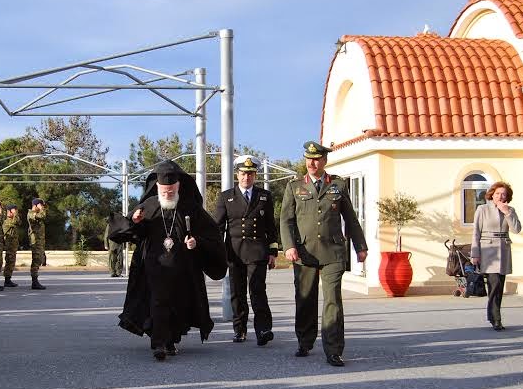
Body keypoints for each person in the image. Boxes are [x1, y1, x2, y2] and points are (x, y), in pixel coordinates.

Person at [108, 160, 227, 360]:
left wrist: (196, 242)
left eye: (171, 190)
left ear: (178, 186)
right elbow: (125, 233)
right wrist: (134, 222)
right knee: (158, 301)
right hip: (154, 266)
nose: (168, 194)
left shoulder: (191, 207)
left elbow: (212, 235)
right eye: (164, 190)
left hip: (183, 268)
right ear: (158, 187)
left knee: (178, 304)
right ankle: (159, 344)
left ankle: (170, 340)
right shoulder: (148, 205)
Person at [279, 141, 368, 367]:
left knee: (333, 301)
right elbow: (286, 220)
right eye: (309, 159)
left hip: (333, 251)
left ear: (324, 161)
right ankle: (305, 341)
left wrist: (360, 246)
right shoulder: (294, 186)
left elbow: (351, 219)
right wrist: (289, 246)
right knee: (305, 298)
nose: (312, 162)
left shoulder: (338, 185)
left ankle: (334, 350)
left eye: (317, 159)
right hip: (304, 251)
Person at [214, 155, 279, 346]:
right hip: (234, 252)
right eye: (243, 173)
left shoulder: (264, 196)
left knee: (258, 291)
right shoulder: (226, 196)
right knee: (237, 293)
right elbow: (218, 227)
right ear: (237, 174)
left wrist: (273, 252)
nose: (246, 178)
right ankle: (240, 330)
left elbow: (270, 227)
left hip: (258, 251)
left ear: (255, 175)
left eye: (250, 174)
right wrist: (216, 251)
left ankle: (263, 330)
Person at [471, 182, 522, 331]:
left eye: (503, 194)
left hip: (504, 249)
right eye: (498, 193)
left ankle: (492, 315)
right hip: (488, 250)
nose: (500, 196)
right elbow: (476, 232)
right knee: (494, 284)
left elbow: (517, 229)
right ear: (492, 194)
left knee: (499, 285)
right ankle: (496, 318)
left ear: (507, 196)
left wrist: (507, 212)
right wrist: (475, 253)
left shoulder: (510, 210)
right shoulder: (482, 209)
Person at [27, 198, 47, 290]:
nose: (42, 207)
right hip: (35, 242)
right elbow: (43, 216)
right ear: (35, 205)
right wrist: (40, 209)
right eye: (41, 205)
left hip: (39, 242)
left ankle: (35, 281)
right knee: (35, 261)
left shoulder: (37, 214)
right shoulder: (31, 213)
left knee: (38, 261)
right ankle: (34, 282)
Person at [2, 205, 20, 287]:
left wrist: (15, 214)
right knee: (9, 262)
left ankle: (8, 279)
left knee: (11, 262)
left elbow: (19, 222)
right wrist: (14, 214)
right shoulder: (7, 221)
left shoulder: (13, 220)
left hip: (13, 245)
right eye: (14, 211)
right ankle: (7, 280)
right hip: (9, 245)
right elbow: (15, 221)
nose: (15, 213)